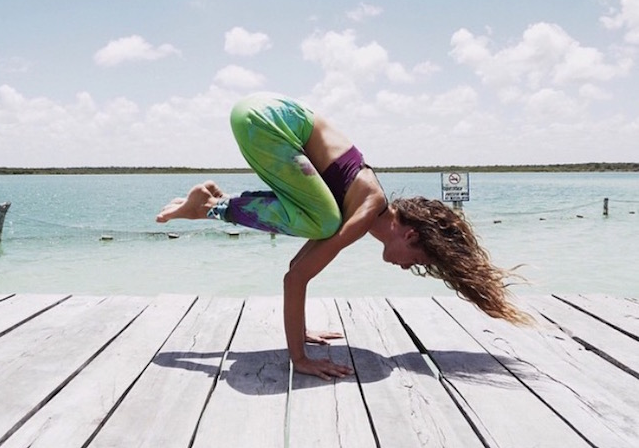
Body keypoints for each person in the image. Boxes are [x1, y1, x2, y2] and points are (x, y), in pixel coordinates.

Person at [156, 92, 530, 381]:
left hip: (261, 116)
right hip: (266, 121)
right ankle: (209, 206)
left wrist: (302, 331)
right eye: (417, 260)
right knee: (324, 223)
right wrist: (299, 359)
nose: (407, 268)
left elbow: (295, 266)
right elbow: (296, 278)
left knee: (321, 219)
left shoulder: (354, 204)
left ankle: (207, 205)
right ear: (410, 234)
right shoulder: (366, 207)